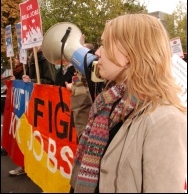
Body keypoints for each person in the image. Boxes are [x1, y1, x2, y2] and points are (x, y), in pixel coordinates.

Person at [69, 14, 187, 193]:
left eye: (105, 44)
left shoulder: (166, 120)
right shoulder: (109, 102)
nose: (98, 52)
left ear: (130, 55)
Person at [9, 46, 56, 176]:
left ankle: (38, 169)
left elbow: (51, 81)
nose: (24, 45)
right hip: (31, 103)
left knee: (39, 139)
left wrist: (32, 81)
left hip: (41, 105)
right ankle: (27, 166)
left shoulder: (44, 58)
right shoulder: (31, 58)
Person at [1, 54, 25, 156]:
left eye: (17, 58)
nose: (15, 60)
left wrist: (17, 81)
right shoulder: (16, 70)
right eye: (14, 58)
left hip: (22, 101)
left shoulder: (24, 70)